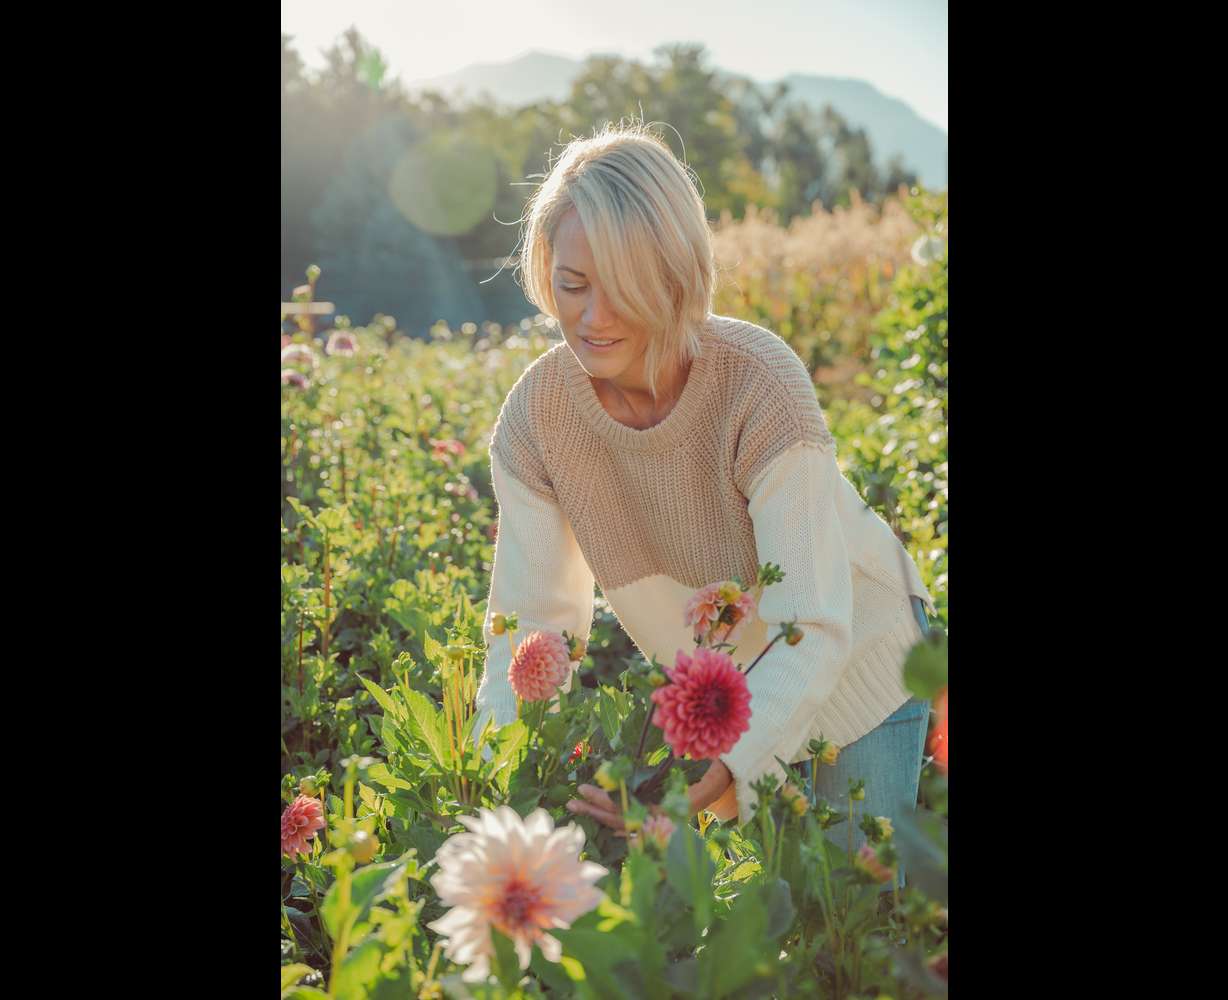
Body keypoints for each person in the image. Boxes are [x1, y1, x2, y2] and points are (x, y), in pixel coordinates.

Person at [472, 121, 937, 882]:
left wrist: (722, 772)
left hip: (861, 655)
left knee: (855, 919)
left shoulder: (755, 382)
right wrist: (495, 784)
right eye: (571, 284)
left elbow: (813, 621)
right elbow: (531, 626)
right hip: (741, 690)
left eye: (620, 288)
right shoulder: (537, 418)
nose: (591, 319)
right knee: (783, 914)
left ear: (676, 273)